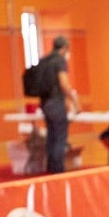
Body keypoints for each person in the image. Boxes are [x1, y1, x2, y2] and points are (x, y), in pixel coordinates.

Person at [39, 36, 81, 173]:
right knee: (59, 137)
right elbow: (63, 83)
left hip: (45, 102)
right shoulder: (59, 60)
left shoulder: (44, 61)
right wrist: (75, 101)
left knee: (51, 136)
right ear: (64, 48)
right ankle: (58, 171)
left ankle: (50, 168)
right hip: (56, 102)